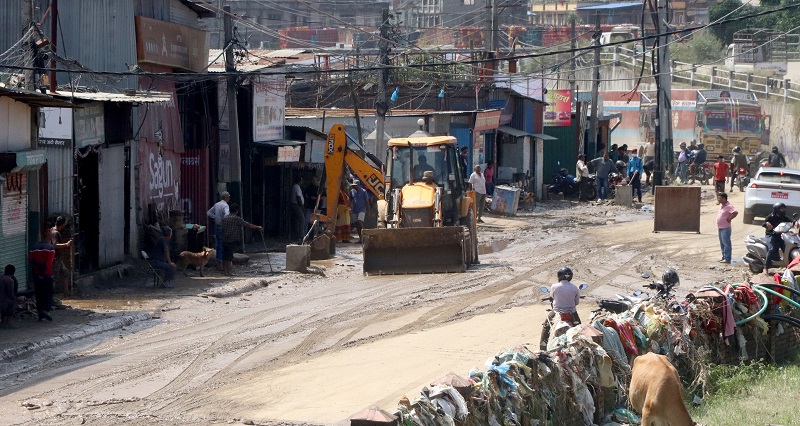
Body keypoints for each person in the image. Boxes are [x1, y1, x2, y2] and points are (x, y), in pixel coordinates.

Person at [540, 267, 580, 350]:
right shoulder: (575, 288)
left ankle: (542, 348)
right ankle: (581, 345)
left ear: (559, 276)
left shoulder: (554, 286)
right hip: (571, 313)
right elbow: (576, 303)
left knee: (546, 327)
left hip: (556, 312)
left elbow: (552, 296)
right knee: (579, 328)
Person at [220, 203, 262, 275]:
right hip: (232, 239)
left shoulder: (225, 218)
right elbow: (247, 224)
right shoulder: (237, 219)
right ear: (236, 211)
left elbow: (221, 226)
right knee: (229, 257)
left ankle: (224, 271)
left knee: (225, 256)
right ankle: (228, 272)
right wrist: (258, 227)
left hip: (224, 239)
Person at [29, 230, 56, 321]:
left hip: (36, 275)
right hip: (47, 274)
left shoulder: (34, 247)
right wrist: (43, 272)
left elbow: (31, 260)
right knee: (48, 293)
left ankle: (40, 312)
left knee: (39, 293)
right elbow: (48, 263)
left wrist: (38, 271)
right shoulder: (50, 248)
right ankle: (46, 310)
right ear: (49, 237)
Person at [764, 202, 791, 274]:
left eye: (783, 209)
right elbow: (764, 223)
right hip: (770, 235)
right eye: (781, 209)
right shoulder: (771, 216)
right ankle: (766, 267)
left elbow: (791, 221)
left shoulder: (784, 217)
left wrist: (796, 222)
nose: (783, 210)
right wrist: (767, 224)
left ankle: (789, 266)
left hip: (780, 235)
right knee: (772, 249)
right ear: (777, 209)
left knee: (786, 248)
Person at [207, 191, 231, 270]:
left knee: (218, 244)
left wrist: (216, 217)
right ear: (227, 198)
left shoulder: (217, 204)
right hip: (223, 227)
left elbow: (208, 213)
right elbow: (227, 215)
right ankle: (223, 263)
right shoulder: (226, 206)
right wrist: (223, 220)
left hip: (216, 226)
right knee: (224, 245)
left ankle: (218, 263)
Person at [49, 216, 73, 291]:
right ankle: (50, 295)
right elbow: (55, 245)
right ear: (62, 225)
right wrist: (66, 244)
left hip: (57, 257)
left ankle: (66, 292)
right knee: (54, 277)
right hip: (56, 258)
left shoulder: (52, 230)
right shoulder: (56, 233)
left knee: (65, 273)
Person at [716, 192, 738, 264]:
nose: (718, 200)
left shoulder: (729, 206)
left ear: (724, 198)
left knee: (726, 243)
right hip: (720, 228)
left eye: (719, 198)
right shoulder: (722, 206)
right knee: (722, 244)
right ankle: (724, 257)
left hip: (725, 228)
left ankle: (727, 258)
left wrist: (729, 219)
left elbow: (735, 212)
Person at [290, 176, 305, 242]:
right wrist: (302, 206)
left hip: (295, 205)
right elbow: (298, 197)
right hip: (297, 205)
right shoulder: (297, 187)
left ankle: (297, 234)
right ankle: (301, 236)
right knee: (302, 219)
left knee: (297, 220)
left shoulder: (294, 187)